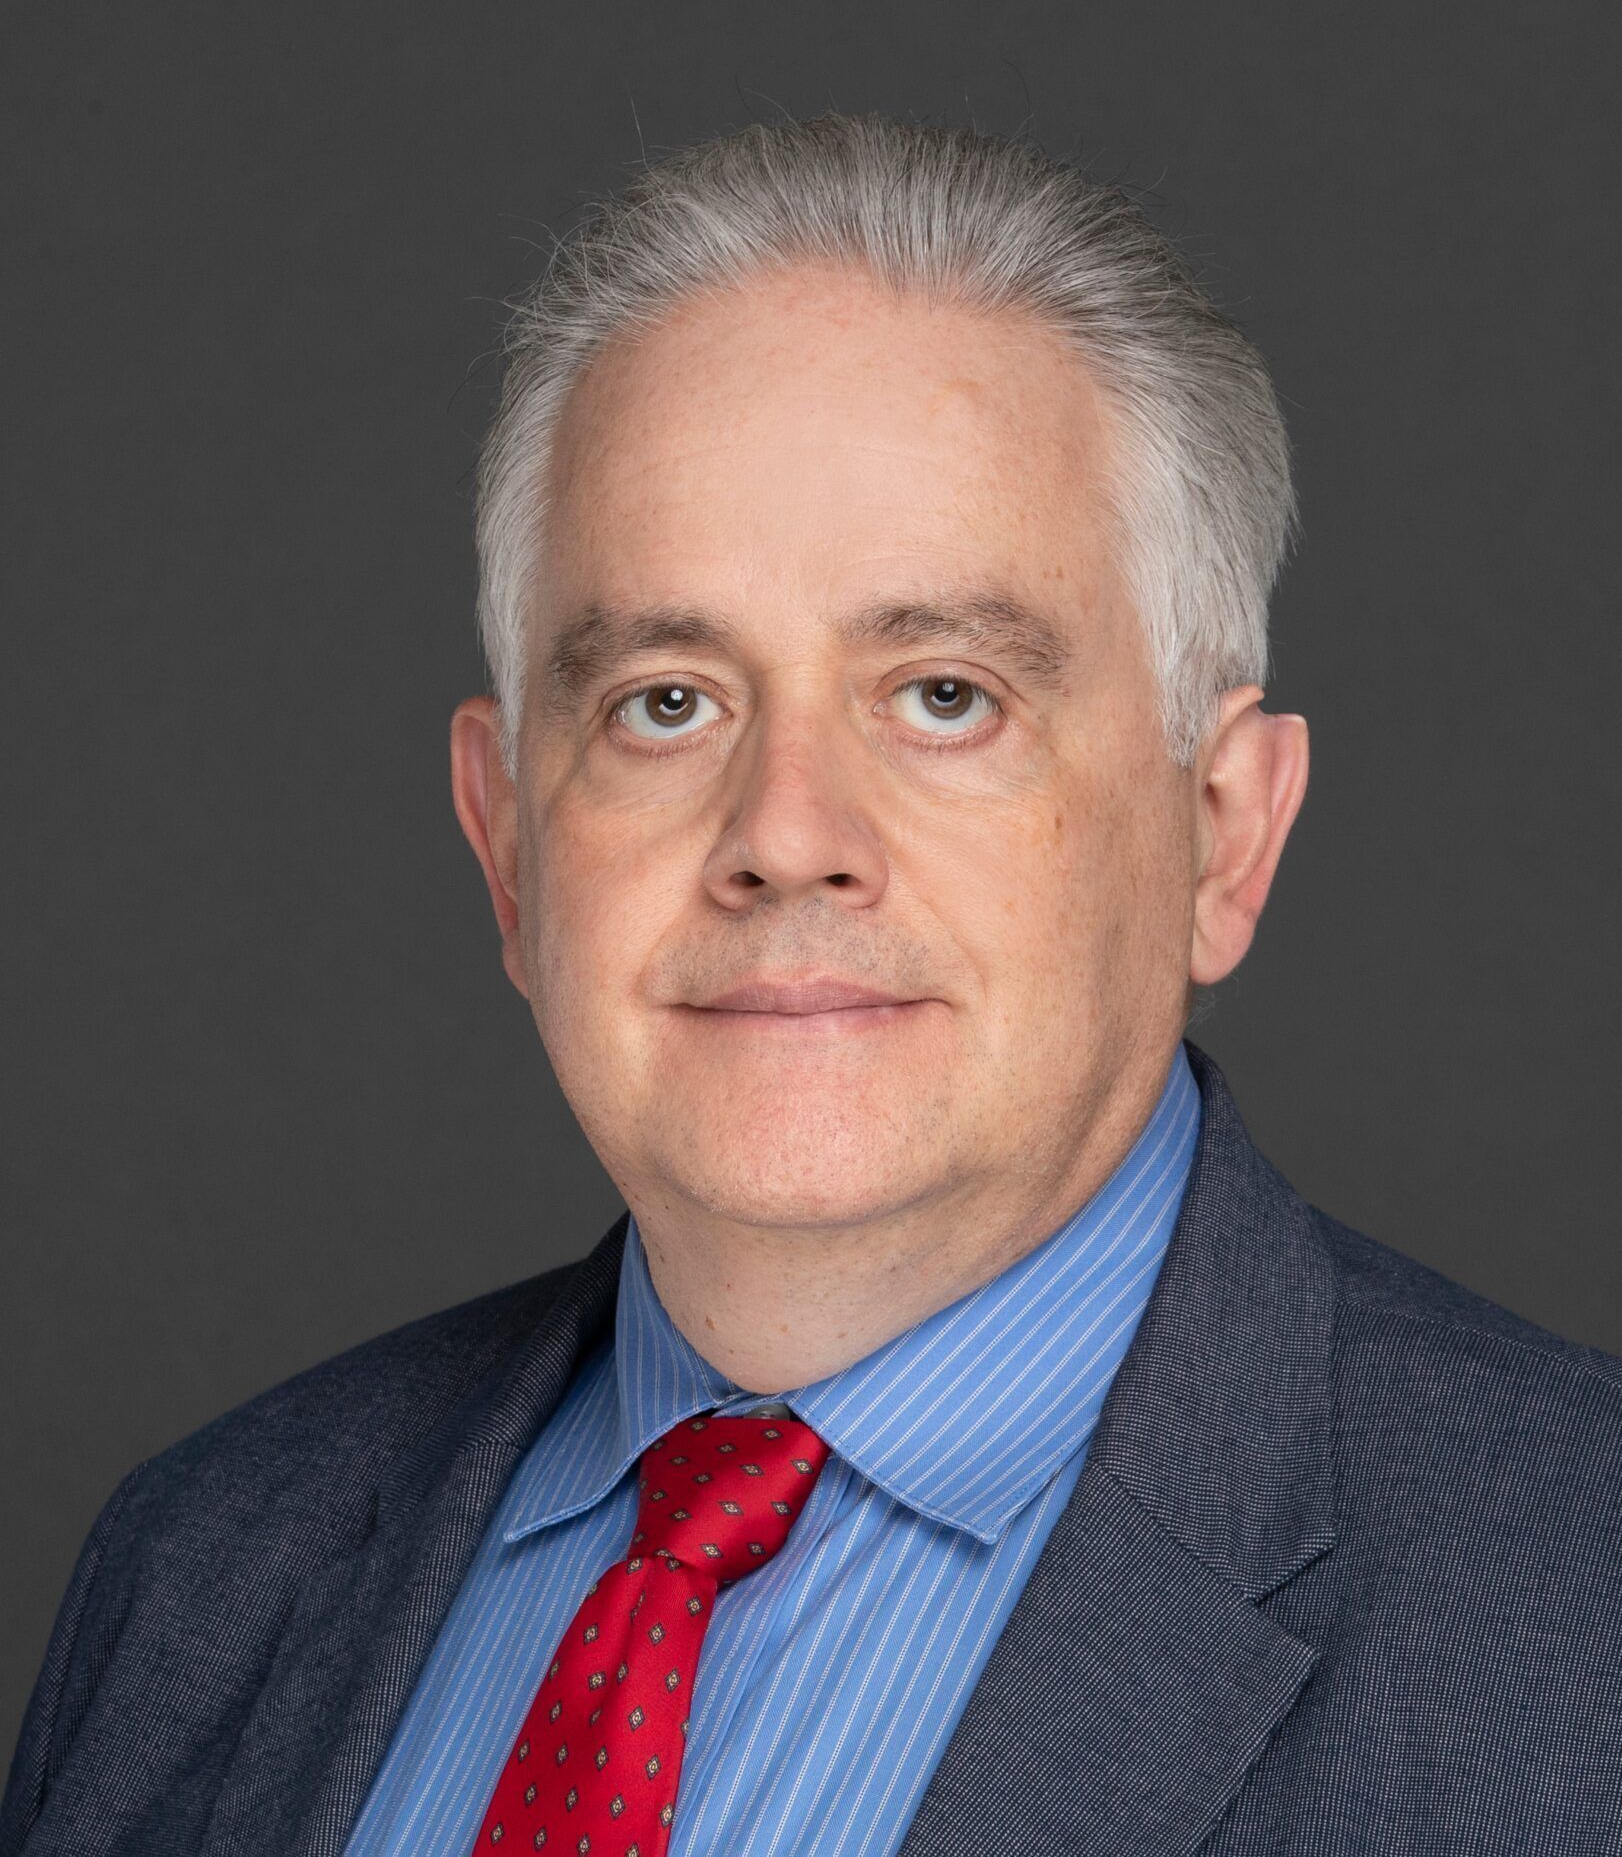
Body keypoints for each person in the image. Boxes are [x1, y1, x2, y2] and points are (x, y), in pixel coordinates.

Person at [4, 111, 1618, 1857]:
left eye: (943, 695)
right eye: (666, 701)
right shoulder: (200, 1569)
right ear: (505, 846)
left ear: (1218, 834)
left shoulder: (1574, 1621)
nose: (785, 836)